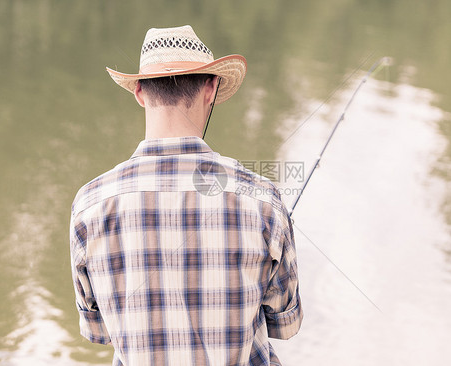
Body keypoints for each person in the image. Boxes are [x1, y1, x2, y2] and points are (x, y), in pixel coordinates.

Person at [69, 25, 302, 366]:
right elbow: (285, 321)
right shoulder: (263, 200)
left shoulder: (89, 206)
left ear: (138, 92)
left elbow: (98, 329)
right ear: (211, 89)